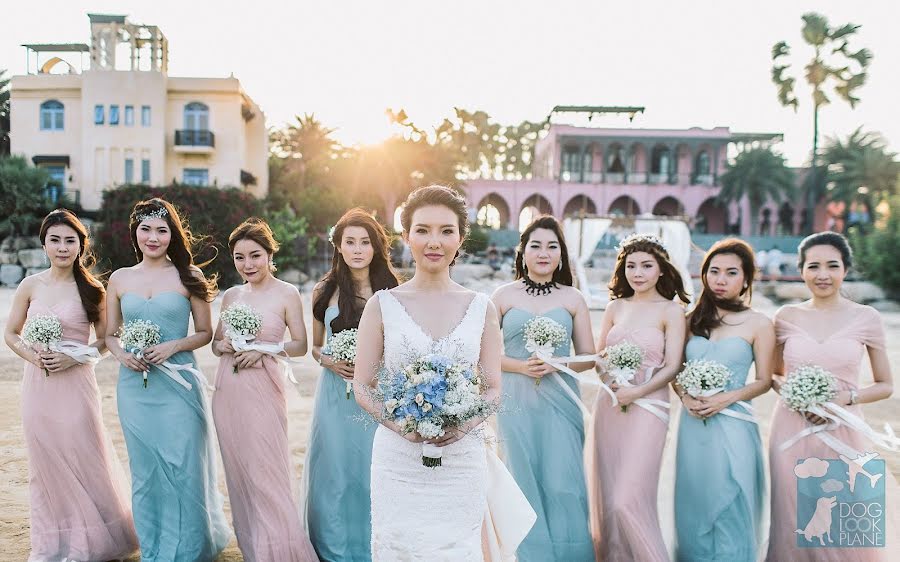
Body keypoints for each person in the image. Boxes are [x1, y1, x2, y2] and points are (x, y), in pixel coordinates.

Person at [353, 185, 533, 560]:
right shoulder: (382, 305)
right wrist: (400, 425)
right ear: (406, 237)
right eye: (422, 230)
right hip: (398, 459)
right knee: (400, 548)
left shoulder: (481, 307)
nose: (434, 241)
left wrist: (462, 426)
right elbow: (363, 386)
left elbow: (493, 389)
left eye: (446, 230)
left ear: (461, 238)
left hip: (461, 459)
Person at [3, 209, 138, 561]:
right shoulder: (30, 285)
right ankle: (51, 544)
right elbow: (11, 333)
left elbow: (107, 341)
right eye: (55, 240)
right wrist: (34, 357)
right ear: (44, 243)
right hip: (38, 385)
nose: (62, 247)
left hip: (77, 386)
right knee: (44, 463)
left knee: (83, 456)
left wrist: (74, 356)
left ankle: (90, 542)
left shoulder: (93, 290)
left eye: (70, 240)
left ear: (81, 244)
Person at [105, 198, 230, 561]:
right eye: (146, 229)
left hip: (178, 384)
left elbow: (205, 332)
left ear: (172, 234)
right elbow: (111, 333)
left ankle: (191, 549)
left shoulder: (188, 276)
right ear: (135, 234)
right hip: (133, 386)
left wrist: (173, 345)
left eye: (161, 230)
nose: (153, 237)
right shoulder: (119, 279)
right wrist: (121, 353)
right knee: (145, 471)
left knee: (183, 464)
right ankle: (155, 549)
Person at [766, 232, 898, 561]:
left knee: (843, 521)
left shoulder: (866, 317)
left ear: (845, 269)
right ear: (801, 270)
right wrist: (799, 398)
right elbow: (772, 374)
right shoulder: (786, 316)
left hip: (844, 430)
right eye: (813, 266)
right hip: (791, 429)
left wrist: (843, 400)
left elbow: (885, 385)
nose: (822, 274)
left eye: (832, 266)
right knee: (794, 519)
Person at [212, 218, 317, 561]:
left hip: (265, 389)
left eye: (255, 255)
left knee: (266, 470)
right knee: (239, 471)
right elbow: (215, 344)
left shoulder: (287, 293)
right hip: (228, 389)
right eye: (240, 258)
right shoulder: (231, 296)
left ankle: (280, 549)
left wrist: (264, 350)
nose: (248, 265)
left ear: (270, 255)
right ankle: (255, 548)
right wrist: (228, 344)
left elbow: (301, 345)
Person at [492, 215, 595, 561]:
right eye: (535, 245)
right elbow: (486, 355)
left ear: (561, 256)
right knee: (520, 479)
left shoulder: (573, 298)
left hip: (561, 402)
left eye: (552, 246)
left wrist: (558, 364)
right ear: (522, 253)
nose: (543, 253)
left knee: (562, 481)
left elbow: (589, 358)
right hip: (515, 402)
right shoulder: (502, 296)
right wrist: (522, 366)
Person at [306, 208, 400, 561]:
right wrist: (328, 359)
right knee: (335, 469)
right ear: (339, 247)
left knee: (372, 468)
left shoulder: (392, 291)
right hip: (333, 393)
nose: (358, 249)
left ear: (376, 247)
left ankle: (374, 547)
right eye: (350, 242)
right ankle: (334, 549)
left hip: (377, 391)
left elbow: (401, 345)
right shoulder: (324, 289)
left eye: (365, 242)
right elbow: (315, 348)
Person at [588, 233, 689, 561]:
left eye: (647, 265)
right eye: (631, 266)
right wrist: (610, 378)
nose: (638, 272)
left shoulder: (671, 311)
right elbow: (598, 356)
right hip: (610, 405)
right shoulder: (615, 306)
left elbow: (672, 365)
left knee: (626, 497)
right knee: (608, 497)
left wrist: (636, 391)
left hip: (649, 407)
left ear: (661, 269)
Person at [674, 238, 771, 561]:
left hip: (735, 422)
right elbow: (675, 372)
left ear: (746, 279)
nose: (720, 279)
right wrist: (685, 396)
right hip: (693, 424)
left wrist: (726, 399)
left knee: (733, 495)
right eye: (713, 271)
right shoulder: (690, 321)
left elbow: (764, 380)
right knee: (695, 499)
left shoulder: (759, 323)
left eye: (731, 273)